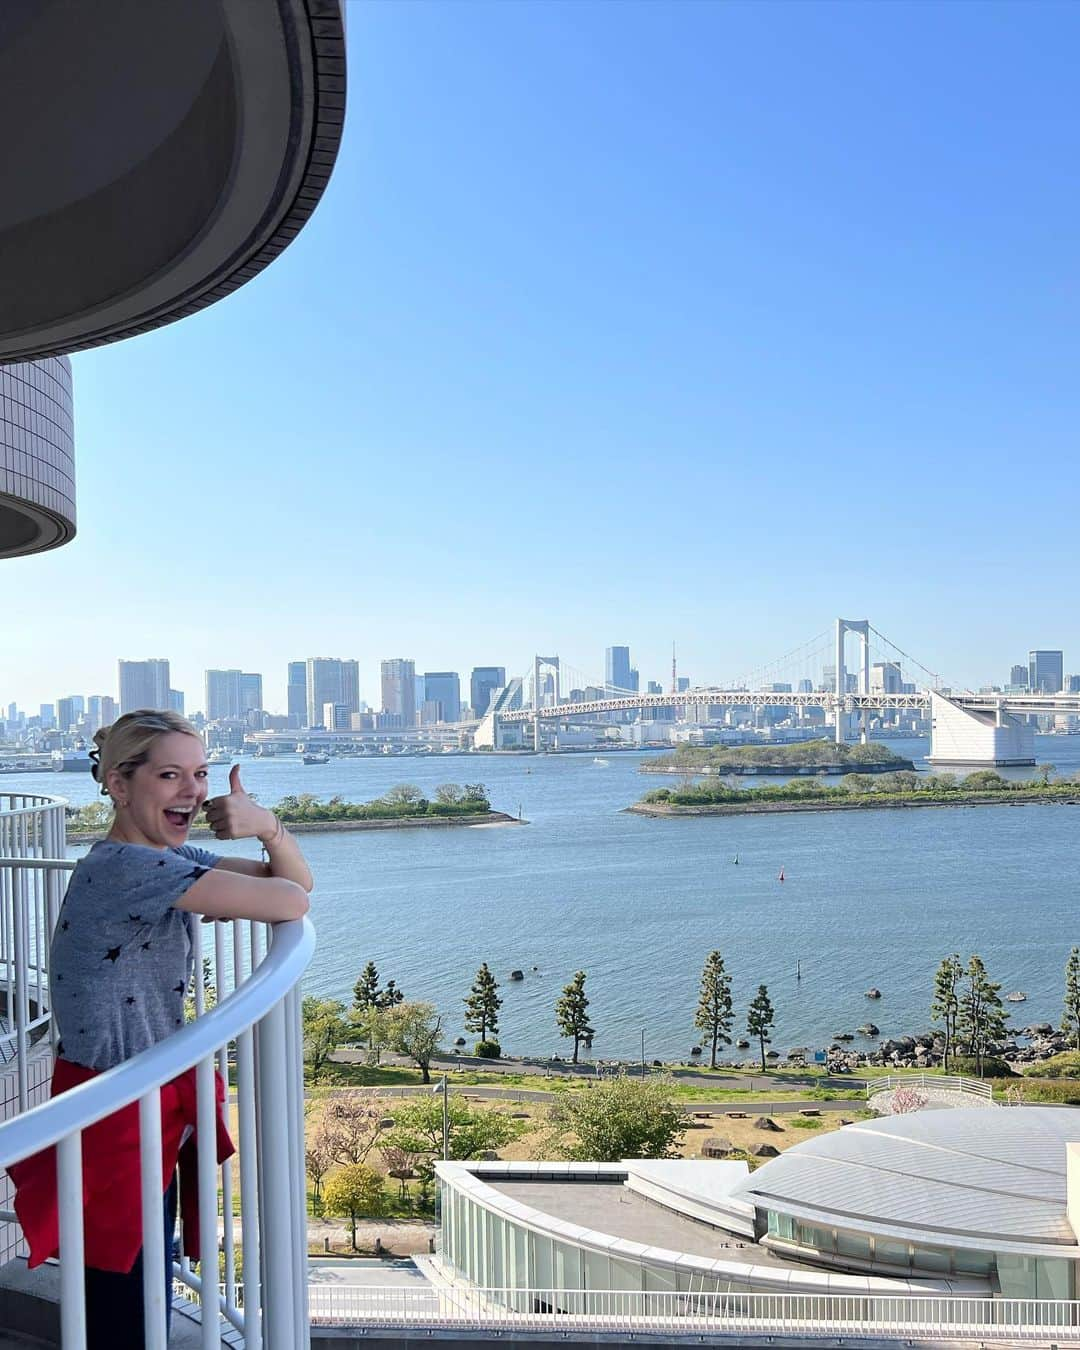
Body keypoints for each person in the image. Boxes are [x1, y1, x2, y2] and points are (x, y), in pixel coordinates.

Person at [9, 709, 312, 1349]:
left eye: (199, 774)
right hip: (113, 1106)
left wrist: (269, 829)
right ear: (120, 785)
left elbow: (292, 882)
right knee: (122, 1292)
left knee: (139, 1276)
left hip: (137, 1096)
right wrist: (262, 828)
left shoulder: (164, 858)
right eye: (170, 774)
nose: (192, 790)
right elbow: (292, 902)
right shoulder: (131, 871)